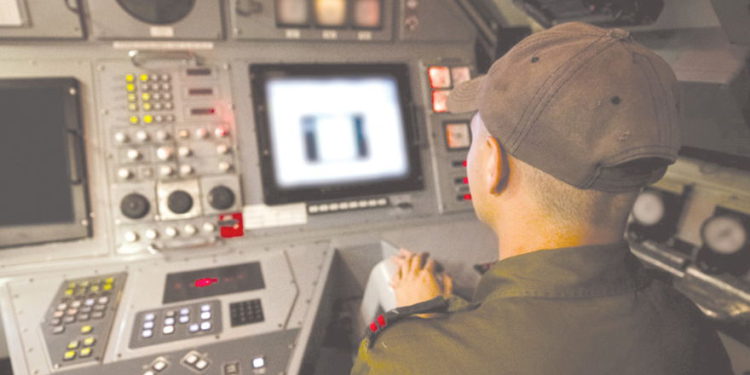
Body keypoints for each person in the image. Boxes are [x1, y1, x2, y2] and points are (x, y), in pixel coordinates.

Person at [351, 22, 733, 374]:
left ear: (493, 166)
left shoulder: (405, 360)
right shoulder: (693, 330)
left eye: (475, 141)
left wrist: (421, 319)